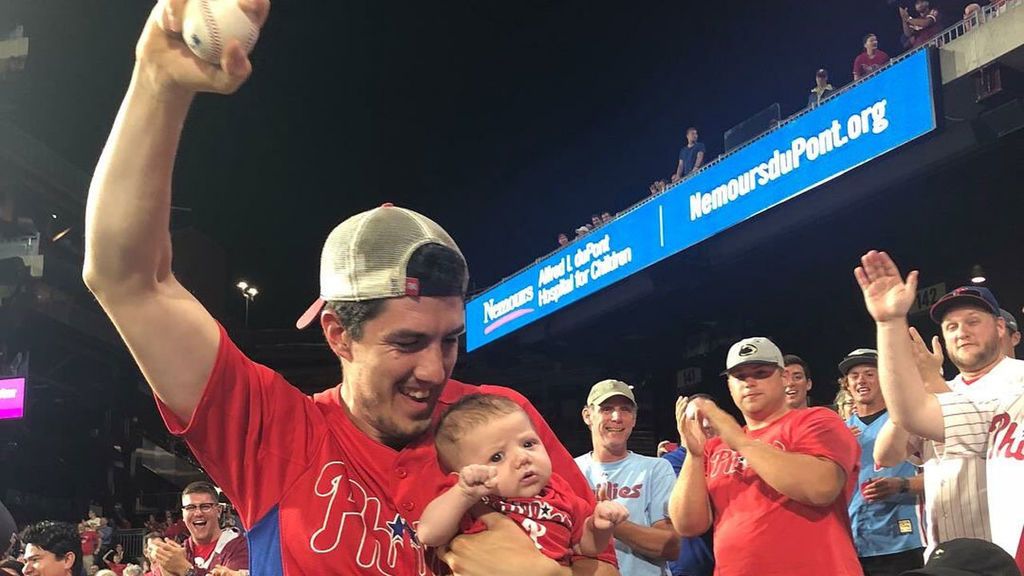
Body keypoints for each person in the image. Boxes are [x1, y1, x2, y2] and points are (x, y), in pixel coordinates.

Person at [82, 2, 616, 574]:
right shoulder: (275, 435)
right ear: (339, 334)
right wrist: (156, 83)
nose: (436, 370)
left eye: (449, 340)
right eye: (408, 343)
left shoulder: (498, 420)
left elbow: (599, 559)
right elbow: (128, 279)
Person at [855, 250, 1024, 571]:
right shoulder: (944, 390)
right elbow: (886, 454)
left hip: (1004, 552)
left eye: (973, 322)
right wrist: (925, 384)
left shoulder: (1018, 382)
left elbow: (917, 414)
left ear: (1001, 327)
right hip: (942, 551)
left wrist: (928, 381)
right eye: (951, 326)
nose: (962, 332)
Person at [669, 337, 862, 575]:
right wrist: (694, 455)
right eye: (739, 377)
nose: (749, 382)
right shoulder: (715, 447)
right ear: (730, 386)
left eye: (761, 373)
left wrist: (740, 441)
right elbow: (688, 525)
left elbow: (821, 488)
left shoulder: (816, 420)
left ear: (783, 379)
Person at [420, 394, 629, 564]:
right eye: (497, 457)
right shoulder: (476, 500)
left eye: (528, 444)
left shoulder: (561, 494)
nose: (522, 458)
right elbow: (429, 534)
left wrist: (598, 527)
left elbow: (586, 549)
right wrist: (462, 493)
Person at [575, 380, 682, 576]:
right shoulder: (571, 471)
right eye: (606, 409)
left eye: (625, 409)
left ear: (633, 418)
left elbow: (670, 546)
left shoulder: (655, 469)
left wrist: (610, 524)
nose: (617, 417)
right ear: (587, 415)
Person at [839, 348, 925, 575]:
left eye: (869, 373)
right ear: (846, 384)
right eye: (854, 375)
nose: (861, 380)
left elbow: (940, 475)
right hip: (853, 543)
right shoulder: (839, 431)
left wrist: (901, 484)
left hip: (903, 541)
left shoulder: (908, 422)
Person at [149, 482, 248, 576]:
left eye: (205, 507)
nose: (198, 513)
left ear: (218, 511)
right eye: (190, 507)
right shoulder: (179, 552)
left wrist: (186, 570)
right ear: (183, 514)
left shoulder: (240, 547)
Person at [660, 444, 714, 576]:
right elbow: (690, 509)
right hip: (689, 564)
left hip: (728, 561)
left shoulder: (729, 456)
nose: (706, 424)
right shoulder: (670, 462)